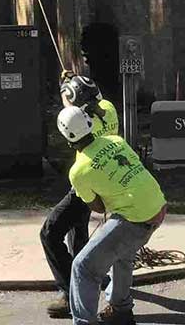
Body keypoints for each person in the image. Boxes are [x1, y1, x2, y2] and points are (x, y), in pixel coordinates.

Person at [57, 106, 167, 325]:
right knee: (122, 253)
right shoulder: (115, 140)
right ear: (89, 124)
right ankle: (121, 311)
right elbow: (134, 168)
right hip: (158, 206)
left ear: (67, 139)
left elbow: (97, 207)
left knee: (83, 266)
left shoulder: (78, 171)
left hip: (134, 218)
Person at [41, 75, 119, 319]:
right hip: (103, 178)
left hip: (86, 182)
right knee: (78, 235)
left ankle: (69, 293)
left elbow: (70, 115)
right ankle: (87, 282)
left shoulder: (84, 124)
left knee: (49, 233)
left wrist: (66, 91)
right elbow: (81, 105)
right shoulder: (108, 108)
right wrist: (73, 80)